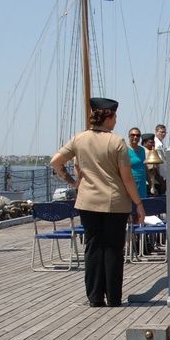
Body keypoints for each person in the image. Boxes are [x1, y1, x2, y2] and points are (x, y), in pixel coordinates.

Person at [49, 97, 145, 307]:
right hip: (114, 201)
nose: (116, 121)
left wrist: (73, 183)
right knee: (113, 248)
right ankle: (113, 296)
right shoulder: (116, 142)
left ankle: (94, 296)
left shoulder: (79, 139)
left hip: (87, 200)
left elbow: (55, 161)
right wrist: (138, 203)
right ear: (108, 117)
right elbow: (127, 177)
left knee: (92, 247)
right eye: (115, 117)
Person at [126, 127, 148, 199]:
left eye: (138, 135)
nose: (135, 137)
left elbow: (145, 167)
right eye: (133, 135)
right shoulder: (125, 149)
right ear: (129, 136)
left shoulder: (142, 150)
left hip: (142, 184)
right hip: (131, 183)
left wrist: (151, 184)